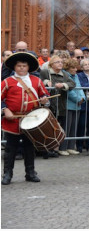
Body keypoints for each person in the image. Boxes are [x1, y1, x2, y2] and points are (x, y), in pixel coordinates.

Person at [1, 52, 50, 185]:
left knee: (29, 148)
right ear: (14, 68)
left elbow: (45, 96)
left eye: (24, 66)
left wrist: (45, 100)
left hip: (31, 120)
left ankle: (30, 173)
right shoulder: (7, 82)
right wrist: (5, 110)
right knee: (11, 149)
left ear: (28, 67)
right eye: (19, 66)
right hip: (12, 120)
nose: (22, 68)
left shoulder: (36, 81)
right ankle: (7, 174)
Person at [40, 54, 76, 156]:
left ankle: (57, 149)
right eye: (57, 62)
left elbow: (73, 83)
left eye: (61, 62)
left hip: (61, 105)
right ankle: (46, 149)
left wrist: (64, 85)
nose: (60, 64)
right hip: (49, 105)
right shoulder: (45, 72)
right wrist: (46, 82)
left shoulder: (64, 74)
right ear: (51, 64)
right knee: (48, 128)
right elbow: (38, 81)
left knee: (59, 128)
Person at [64, 58, 85, 155]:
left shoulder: (75, 76)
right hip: (69, 104)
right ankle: (63, 147)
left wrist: (83, 98)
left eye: (76, 68)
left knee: (74, 127)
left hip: (78, 105)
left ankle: (71, 146)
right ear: (68, 68)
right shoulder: (65, 75)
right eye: (73, 68)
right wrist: (78, 99)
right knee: (67, 127)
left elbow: (80, 87)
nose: (75, 70)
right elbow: (69, 90)